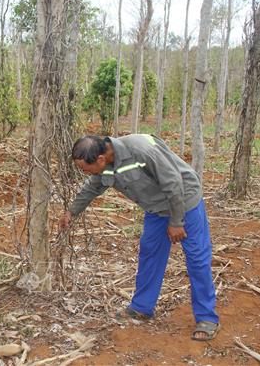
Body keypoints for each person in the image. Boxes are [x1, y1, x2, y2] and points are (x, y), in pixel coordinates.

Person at [61, 133, 219, 341]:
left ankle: (207, 318)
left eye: (85, 168)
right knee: (150, 252)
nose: (85, 173)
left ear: (100, 159)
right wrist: (71, 211)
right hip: (156, 208)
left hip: (184, 201)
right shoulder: (106, 162)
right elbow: (93, 186)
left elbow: (173, 183)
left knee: (197, 259)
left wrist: (176, 222)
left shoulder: (142, 151)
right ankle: (142, 307)